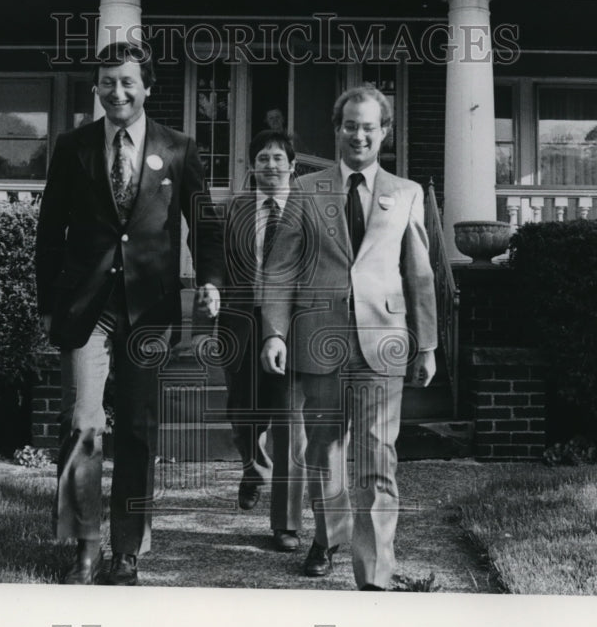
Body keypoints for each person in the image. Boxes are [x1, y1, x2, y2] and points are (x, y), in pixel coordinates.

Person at [36, 41, 224, 586]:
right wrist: (49, 305)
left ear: (146, 87)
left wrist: (210, 281)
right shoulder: (73, 146)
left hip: (149, 311)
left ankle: (126, 551)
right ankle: (85, 548)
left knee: (139, 429)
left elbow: (203, 224)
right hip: (87, 307)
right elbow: (51, 233)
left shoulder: (179, 148)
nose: (117, 92)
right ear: (97, 88)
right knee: (85, 422)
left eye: (127, 82)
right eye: (107, 82)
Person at [260, 84, 437, 591]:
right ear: (337, 130)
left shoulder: (405, 193)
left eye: (369, 126)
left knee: (379, 455)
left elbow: (419, 274)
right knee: (324, 452)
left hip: (382, 341)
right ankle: (329, 535)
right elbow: (279, 271)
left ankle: (376, 575)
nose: (359, 134)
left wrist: (426, 344)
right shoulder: (306, 190)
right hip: (318, 341)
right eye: (350, 125)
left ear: (384, 132)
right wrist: (274, 332)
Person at [219, 130, 306, 553]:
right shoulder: (235, 208)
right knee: (240, 410)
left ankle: (286, 523)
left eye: (277, 157)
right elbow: (213, 259)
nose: (270, 164)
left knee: (288, 418)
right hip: (241, 321)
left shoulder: (308, 208)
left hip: (291, 326)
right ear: (252, 165)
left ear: (293, 165)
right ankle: (253, 466)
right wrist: (211, 288)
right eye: (262, 157)